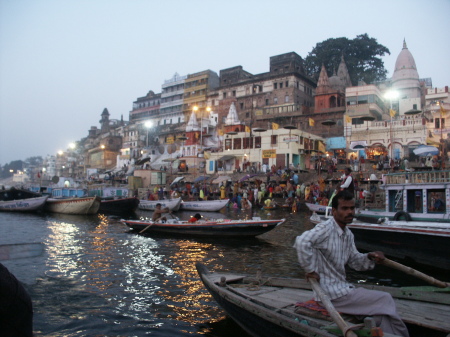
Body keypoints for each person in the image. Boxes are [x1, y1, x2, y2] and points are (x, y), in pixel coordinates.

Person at [293, 191, 409, 337]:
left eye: (352, 208)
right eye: (345, 208)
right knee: (385, 298)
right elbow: (301, 241)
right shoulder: (325, 229)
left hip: (343, 290)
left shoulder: (348, 234)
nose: (350, 212)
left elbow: (355, 262)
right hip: (331, 294)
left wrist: (370, 257)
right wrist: (310, 270)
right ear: (334, 211)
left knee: (382, 316)